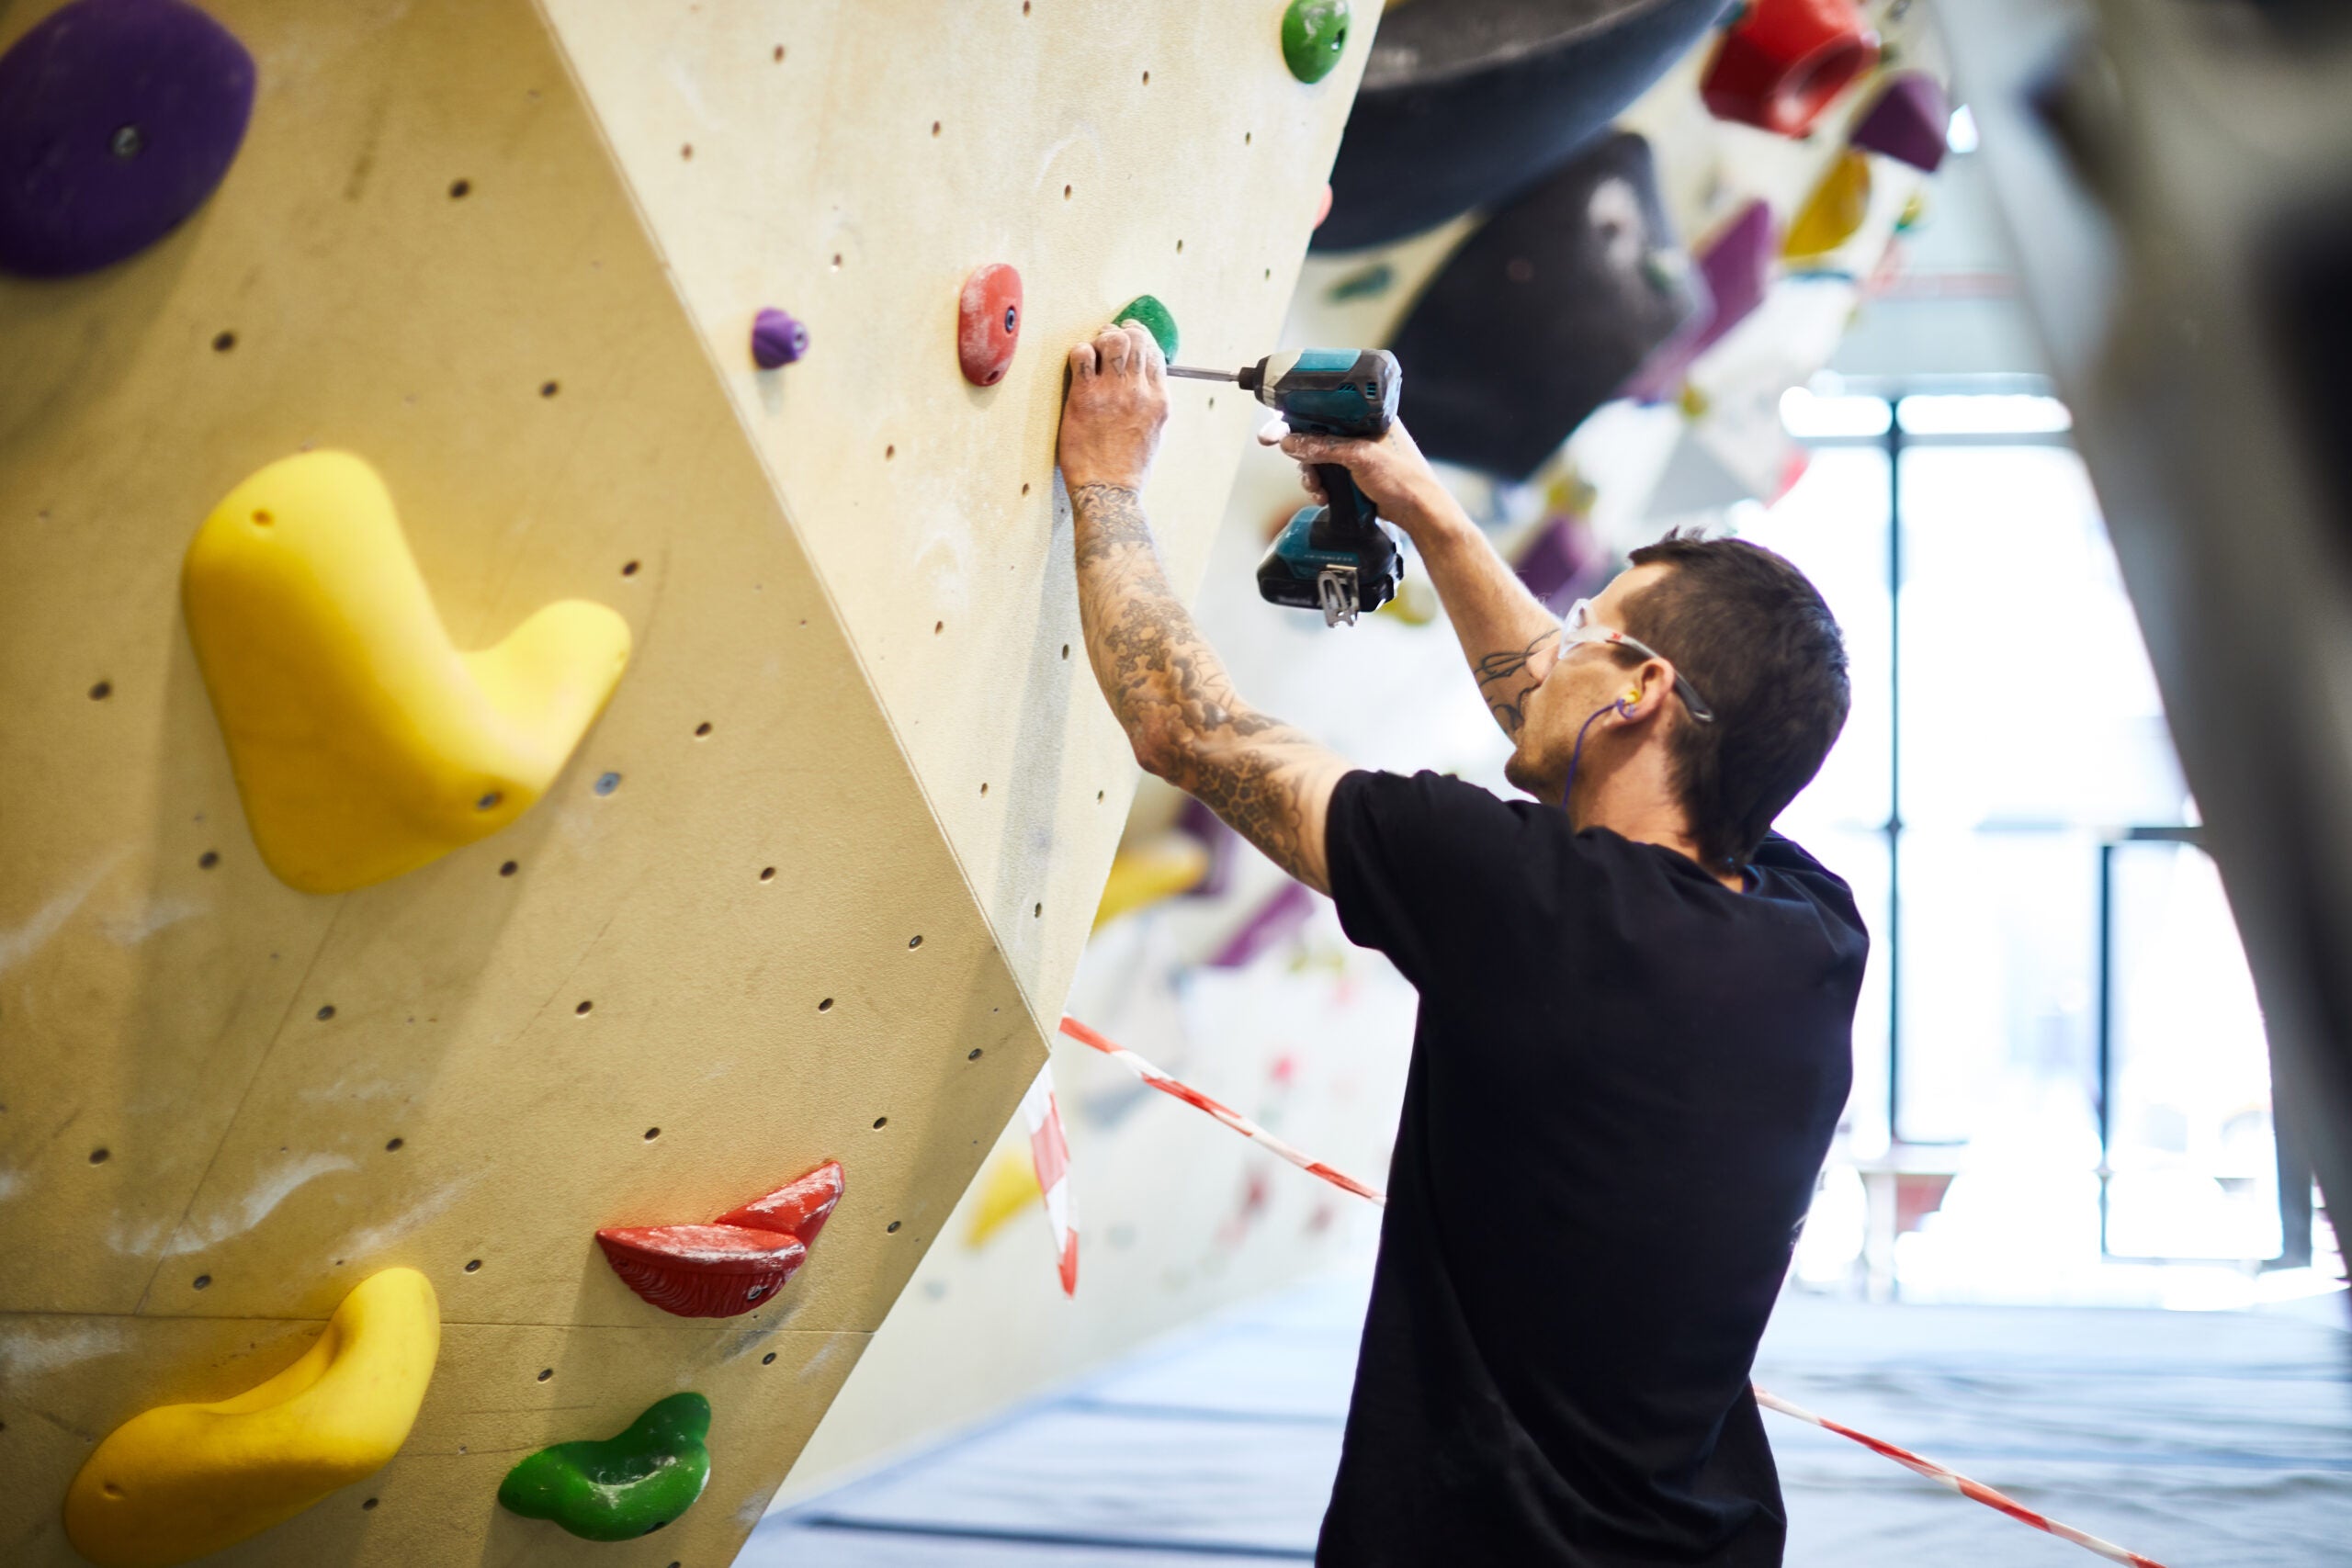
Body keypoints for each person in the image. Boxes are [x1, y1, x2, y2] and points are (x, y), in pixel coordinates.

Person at [1057, 321, 1867, 1567]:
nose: (1556, 644)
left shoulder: (1527, 904)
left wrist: (1106, 479)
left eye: (1587, 623)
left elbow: (1187, 730)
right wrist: (1418, 498)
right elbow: (1566, 706)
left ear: (1641, 691)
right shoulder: (1807, 929)